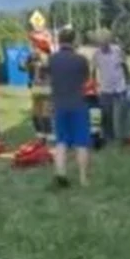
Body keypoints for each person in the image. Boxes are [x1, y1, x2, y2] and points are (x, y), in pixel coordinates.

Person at [46, 27, 93, 188]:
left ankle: (61, 173)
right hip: (78, 103)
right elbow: (87, 80)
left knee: (61, 141)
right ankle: (83, 178)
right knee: (81, 142)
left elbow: (47, 78)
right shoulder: (81, 60)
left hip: (59, 104)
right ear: (74, 41)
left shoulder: (52, 59)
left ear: (59, 40)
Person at [92, 30, 130, 147]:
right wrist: (93, 84)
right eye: (100, 44)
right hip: (105, 88)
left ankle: (127, 136)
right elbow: (93, 71)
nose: (103, 46)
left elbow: (125, 67)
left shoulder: (117, 51)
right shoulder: (97, 55)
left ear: (108, 42)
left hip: (120, 87)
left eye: (105, 43)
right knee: (106, 115)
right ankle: (109, 137)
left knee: (123, 113)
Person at [25, 30, 54, 143]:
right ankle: (40, 135)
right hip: (36, 87)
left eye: (34, 43)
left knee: (45, 113)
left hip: (46, 87)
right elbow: (25, 67)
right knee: (36, 114)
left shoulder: (47, 55)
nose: (32, 46)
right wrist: (28, 65)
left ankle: (49, 136)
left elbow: (49, 68)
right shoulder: (32, 56)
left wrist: (39, 64)